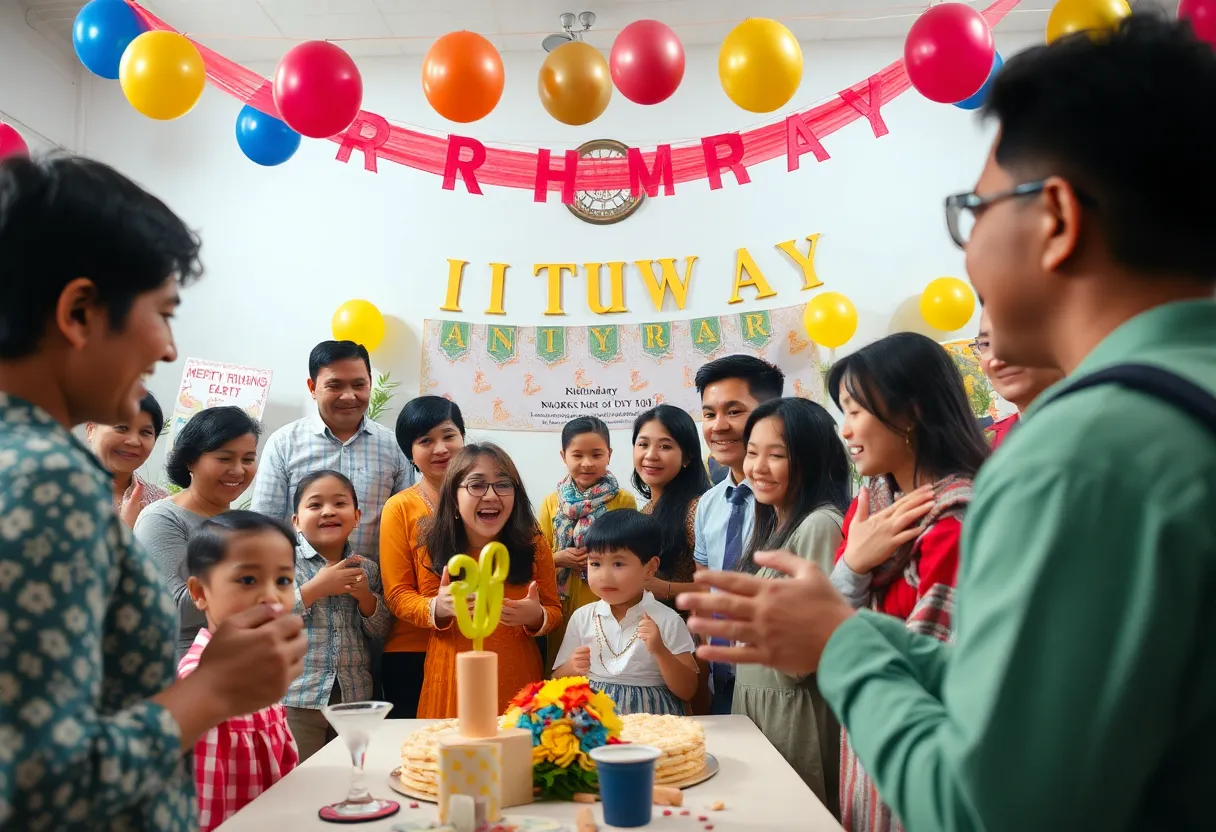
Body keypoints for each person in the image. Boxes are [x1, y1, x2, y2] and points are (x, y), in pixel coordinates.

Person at [680, 15, 1216, 830]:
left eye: (975, 211)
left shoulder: (1084, 453)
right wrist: (852, 633)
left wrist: (843, 646)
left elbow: (988, 808)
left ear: (1057, 219)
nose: (968, 256)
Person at [0, 154, 304, 831]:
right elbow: (36, 782)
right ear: (79, 311)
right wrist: (213, 692)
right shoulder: (50, 482)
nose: (168, 349)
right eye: (162, 313)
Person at [733, 397, 851, 813]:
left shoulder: (820, 524)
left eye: (777, 455)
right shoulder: (778, 522)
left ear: (812, 459)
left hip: (793, 714)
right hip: (761, 705)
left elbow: (805, 653)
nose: (758, 467)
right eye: (752, 453)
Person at [394, 444, 563, 717]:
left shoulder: (532, 541)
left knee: (516, 754)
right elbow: (402, 598)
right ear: (453, 496)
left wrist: (536, 616)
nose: (491, 495)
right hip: (452, 673)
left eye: (503, 485)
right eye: (477, 485)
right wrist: (437, 607)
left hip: (516, 674)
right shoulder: (432, 541)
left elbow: (554, 611)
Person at [179, 511, 301, 831]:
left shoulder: (261, 671)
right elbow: (203, 808)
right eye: (248, 580)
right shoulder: (198, 685)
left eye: (284, 581)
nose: (271, 597)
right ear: (199, 593)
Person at [249, 340, 413, 561]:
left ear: (370, 383)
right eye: (335, 386)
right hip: (301, 587)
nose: (348, 396)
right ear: (312, 387)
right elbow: (263, 527)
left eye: (358, 385)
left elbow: (404, 527)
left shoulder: (394, 446)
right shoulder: (284, 443)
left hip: (370, 588)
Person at [692, 354, 784, 714]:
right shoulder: (709, 504)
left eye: (734, 411)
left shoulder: (791, 502)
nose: (719, 426)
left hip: (778, 684)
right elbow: (704, 584)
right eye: (709, 413)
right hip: (721, 680)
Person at [135, 406, 262, 655]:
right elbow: (175, 608)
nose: (238, 470)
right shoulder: (162, 519)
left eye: (247, 459)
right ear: (190, 460)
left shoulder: (247, 523)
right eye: (224, 458)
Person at [284, 470, 391, 760]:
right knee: (301, 782)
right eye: (315, 505)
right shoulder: (283, 563)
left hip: (354, 696)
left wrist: (366, 599)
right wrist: (314, 589)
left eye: (339, 503)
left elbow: (380, 632)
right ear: (296, 521)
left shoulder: (367, 569)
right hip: (298, 697)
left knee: (350, 777)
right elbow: (268, 617)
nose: (328, 511)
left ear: (356, 516)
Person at [552, 510, 698, 715]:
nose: (604, 575)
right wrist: (571, 666)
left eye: (618, 564)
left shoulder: (667, 620)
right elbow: (556, 680)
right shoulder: (582, 617)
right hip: (595, 722)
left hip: (651, 722)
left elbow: (688, 690)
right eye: (595, 563)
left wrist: (660, 651)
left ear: (650, 568)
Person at [380, 395, 466, 718]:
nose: (440, 448)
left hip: (480, 646)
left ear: (463, 438)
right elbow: (397, 594)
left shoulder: (491, 499)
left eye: (448, 435)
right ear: (411, 454)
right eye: (425, 441)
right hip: (413, 653)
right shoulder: (400, 507)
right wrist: (436, 608)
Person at [537, 416, 637, 669]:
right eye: (577, 455)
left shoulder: (623, 501)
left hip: (607, 599)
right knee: (566, 669)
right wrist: (559, 558)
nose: (587, 463)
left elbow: (629, 553)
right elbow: (538, 555)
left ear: (609, 454)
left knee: (606, 666)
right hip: (562, 601)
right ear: (564, 456)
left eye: (596, 454)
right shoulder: (551, 502)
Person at [632, 405, 711, 606]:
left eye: (665, 446)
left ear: (686, 457)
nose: (651, 455)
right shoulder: (647, 510)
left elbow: (722, 585)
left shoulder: (697, 509)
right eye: (643, 444)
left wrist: (664, 588)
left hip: (689, 629)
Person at [973, 309, 1064, 447]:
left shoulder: (1096, 428)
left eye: (1014, 338)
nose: (997, 361)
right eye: (986, 344)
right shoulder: (988, 444)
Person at [85, 391, 170, 527]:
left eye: (146, 432)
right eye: (122, 428)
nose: (134, 441)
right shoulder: (61, 487)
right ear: (91, 430)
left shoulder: (160, 503)